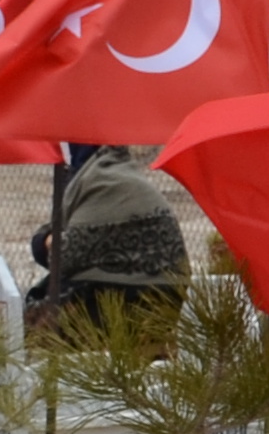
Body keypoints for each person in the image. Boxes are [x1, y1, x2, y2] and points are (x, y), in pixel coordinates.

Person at [26, 141, 191, 339]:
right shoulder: (122, 175)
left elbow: (62, 256)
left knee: (33, 328)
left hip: (126, 304)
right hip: (157, 302)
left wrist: (44, 241)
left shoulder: (104, 181)